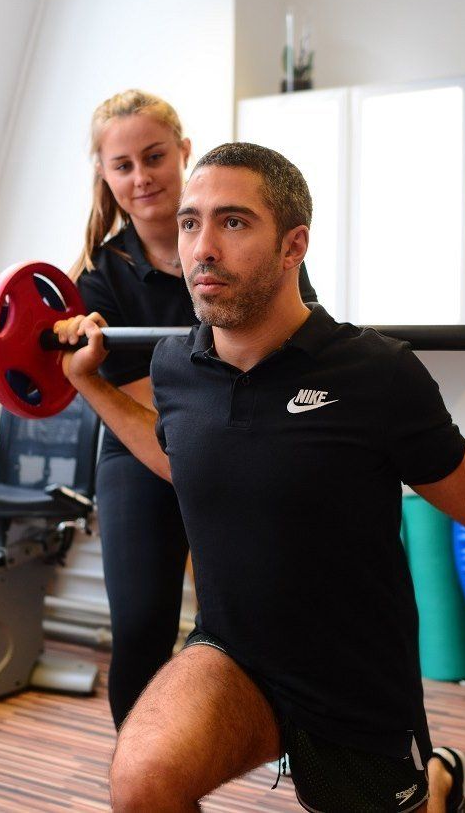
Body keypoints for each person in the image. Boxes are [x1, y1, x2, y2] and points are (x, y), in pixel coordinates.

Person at [55, 142, 465, 812]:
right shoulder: (177, 367)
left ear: (293, 244)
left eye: (232, 222)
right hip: (232, 656)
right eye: (190, 223)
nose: (201, 247)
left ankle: (437, 776)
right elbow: (182, 463)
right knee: (142, 780)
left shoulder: (375, 372)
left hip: (353, 680)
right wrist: (90, 384)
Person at [69, 93, 318, 730]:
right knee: (142, 625)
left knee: (270, 615)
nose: (141, 176)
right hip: (140, 449)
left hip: (245, 440)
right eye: (122, 165)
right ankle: (142, 778)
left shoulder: (250, 246)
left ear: (183, 151)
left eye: (154, 156)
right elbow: (151, 411)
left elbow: (293, 351)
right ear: (104, 175)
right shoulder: (100, 280)